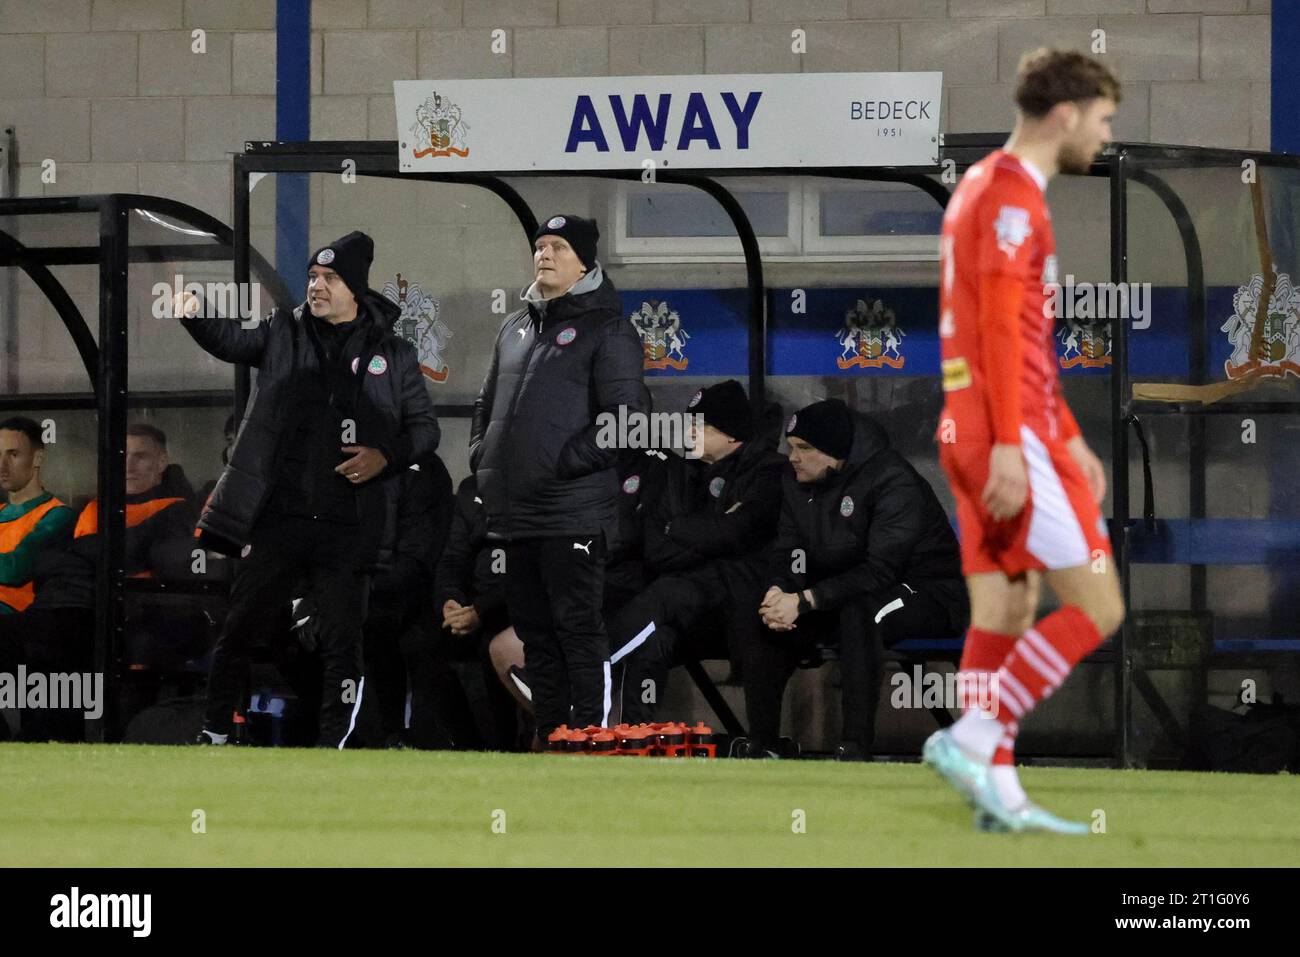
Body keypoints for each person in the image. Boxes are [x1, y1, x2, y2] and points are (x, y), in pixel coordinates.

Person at [925, 48, 1125, 833]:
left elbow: (1020, 333)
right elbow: (1007, 330)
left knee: (1005, 606)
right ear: (1067, 113)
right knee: (1100, 604)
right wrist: (1018, 439)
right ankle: (976, 735)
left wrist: (1066, 432)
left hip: (970, 423)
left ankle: (996, 794)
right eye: (1104, 120)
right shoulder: (1013, 196)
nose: (1105, 138)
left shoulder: (978, 183)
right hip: (1003, 430)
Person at [178, 230, 440, 748]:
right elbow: (233, 340)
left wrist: (385, 457)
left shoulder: (395, 353)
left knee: (345, 644)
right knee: (241, 629)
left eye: (330, 278)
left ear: (355, 289)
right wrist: (194, 311)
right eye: (313, 277)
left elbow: (425, 431)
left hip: (350, 525)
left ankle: (332, 747)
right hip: (281, 519)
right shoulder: (283, 331)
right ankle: (213, 734)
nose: (317, 286)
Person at [469, 213, 645, 739]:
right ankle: (552, 736)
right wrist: (483, 456)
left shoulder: (608, 329)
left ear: (584, 261)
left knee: (577, 631)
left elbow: (627, 421)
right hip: (519, 514)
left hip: (573, 512)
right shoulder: (515, 327)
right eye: (540, 246)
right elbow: (485, 404)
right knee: (536, 634)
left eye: (558, 247)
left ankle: (589, 736)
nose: (544, 254)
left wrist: (562, 463)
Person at [743, 399, 968, 759]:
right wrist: (779, 591)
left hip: (925, 591)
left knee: (859, 615)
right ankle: (764, 745)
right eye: (790, 448)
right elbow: (787, 551)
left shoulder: (892, 479)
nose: (793, 457)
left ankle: (855, 746)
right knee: (763, 620)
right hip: (838, 590)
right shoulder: (796, 481)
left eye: (804, 449)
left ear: (835, 453)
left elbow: (880, 571)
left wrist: (804, 601)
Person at [606, 379, 786, 725]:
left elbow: (734, 532)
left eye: (700, 425)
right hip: (694, 602)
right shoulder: (685, 472)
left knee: (668, 592)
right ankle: (633, 737)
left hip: (742, 607)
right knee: (656, 636)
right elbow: (657, 547)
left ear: (731, 435)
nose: (689, 431)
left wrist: (682, 527)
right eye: (688, 423)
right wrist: (706, 535)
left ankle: (580, 678)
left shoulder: (768, 471)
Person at [13, 423, 196, 741]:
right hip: (62, 611)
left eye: (140, 457)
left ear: (162, 462)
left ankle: (52, 735)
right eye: (123, 456)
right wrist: (100, 553)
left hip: (129, 619)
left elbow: (135, 551)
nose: (128, 465)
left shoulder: (177, 509)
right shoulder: (93, 507)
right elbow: (41, 560)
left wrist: (84, 553)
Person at [0, 417, 75, 618]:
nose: (2, 465)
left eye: (13, 454)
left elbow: (15, 569)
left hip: (20, 623)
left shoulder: (58, 515)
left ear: (37, 458)